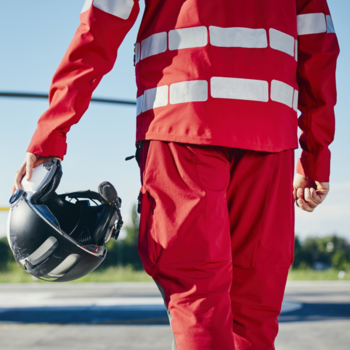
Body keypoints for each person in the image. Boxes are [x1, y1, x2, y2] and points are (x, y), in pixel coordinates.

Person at [13, 0, 339, 349]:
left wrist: (51, 132)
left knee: (197, 298)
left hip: (182, 125)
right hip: (270, 135)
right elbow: (318, 45)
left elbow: (100, 25)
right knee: (256, 305)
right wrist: (316, 154)